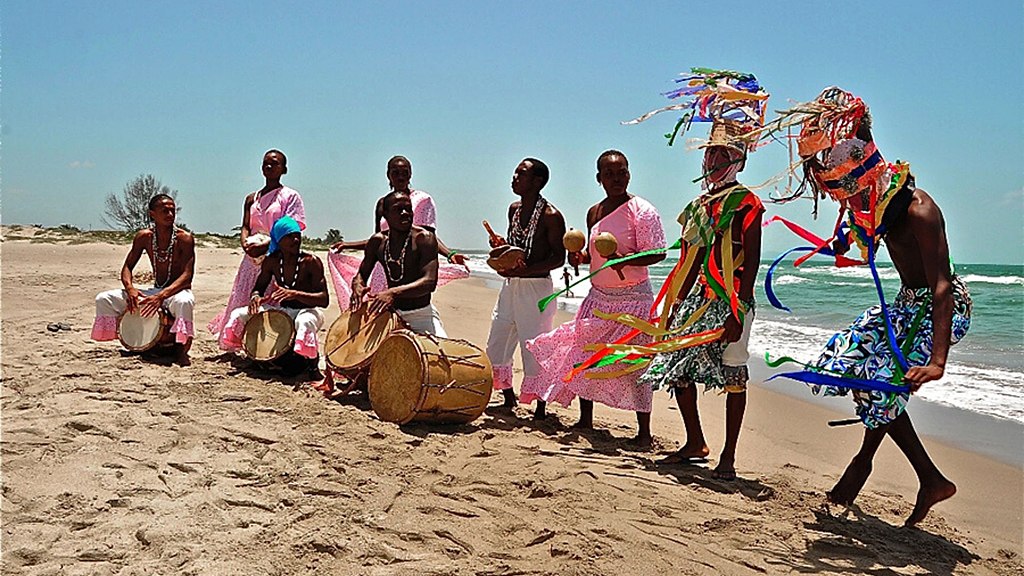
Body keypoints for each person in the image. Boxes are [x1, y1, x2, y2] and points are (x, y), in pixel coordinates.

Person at [772, 88, 972, 526]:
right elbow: (856, 239)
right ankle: (925, 477)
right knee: (845, 361)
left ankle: (863, 468)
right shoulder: (874, 205)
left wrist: (938, 362)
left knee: (881, 383)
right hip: (905, 304)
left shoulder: (920, 210)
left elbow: (940, 286)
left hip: (943, 306)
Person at [639, 122, 764, 480]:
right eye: (710, 153)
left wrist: (738, 310)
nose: (713, 160)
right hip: (699, 299)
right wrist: (675, 303)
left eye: (723, 155)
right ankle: (695, 442)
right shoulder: (698, 206)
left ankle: (729, 456)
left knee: (733, 372)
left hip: (733, 300)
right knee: (677, 366)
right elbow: (690, 260)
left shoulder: (747, 203)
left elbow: (751, 261)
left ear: (739, 161)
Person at [527, 150, 666, 446]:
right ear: (599, 178)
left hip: (634, 302)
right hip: (598, 298)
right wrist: (581, 256)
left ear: (629, 174)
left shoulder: (642, 210)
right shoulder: (594, 212)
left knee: (636, 365)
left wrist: (624, 260)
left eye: (622, 172)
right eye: (609, 174)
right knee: (584, 355)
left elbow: (658, 252)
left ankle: (644, 432)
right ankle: (585, 419)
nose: (617, 178)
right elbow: (595, 254)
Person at [484, 158, 566, 417]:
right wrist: (502, 246)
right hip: (511, 286)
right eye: (515, 173)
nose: (515, 178)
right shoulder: (514, 210)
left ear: (538, 182)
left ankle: (540, 407)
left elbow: (558, 258)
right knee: (499, 338)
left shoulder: (551, 216)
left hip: (536, 289)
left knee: (534, 345)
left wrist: (527, 270)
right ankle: (509, 397)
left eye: (521, 174)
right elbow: (518, 246)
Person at [327, 156, 468, 306]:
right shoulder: (383, 204)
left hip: (410, 267)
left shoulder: (422, 200)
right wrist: (348, 245)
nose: (400, 177)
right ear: (388, 175)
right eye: (395, 172)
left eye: (404, 172)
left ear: (410, 174)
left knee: (409, 306)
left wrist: (449, 254)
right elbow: (379, 240)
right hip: (383, 269)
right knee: (379, 314)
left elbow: (428, 237)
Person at [208, 149, 306, 349]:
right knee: (245, 296)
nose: (269, 167)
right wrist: (245, 243)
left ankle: (268, 345)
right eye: (266, 163)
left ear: (284, 169)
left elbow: (293, 226)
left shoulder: (290, 196)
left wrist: (268, 245)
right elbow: (246, 225)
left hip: (275, 254)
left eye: (275, 163)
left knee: (270, 299)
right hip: (251, 257)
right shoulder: (252, 198)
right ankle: (241, 341)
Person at [91, 194, 196, 365]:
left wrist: (161, 297)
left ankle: (181, 351)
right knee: (104, 299)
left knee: (185, 302)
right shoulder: (144, 237)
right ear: (152, 214)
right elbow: (127, 267)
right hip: (155, 290)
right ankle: (134, 339)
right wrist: (130, 288)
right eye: (165, 211)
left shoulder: (184, 238)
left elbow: (187, 277)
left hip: (176, 291)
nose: (170, 214)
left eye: (172, 210)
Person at [221, 216, 329, 378]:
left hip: (307, 311)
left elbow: (324, 299)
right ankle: (255, 354)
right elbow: (258, 288)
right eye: (290, 236)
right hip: (282, 311)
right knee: (240, 314)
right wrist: (256, 297)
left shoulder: (311, 261)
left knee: (304, 322)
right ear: (279, 240)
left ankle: (313, 366)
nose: (295, 239)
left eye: (297, 235)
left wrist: (295, 294)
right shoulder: (272, 261)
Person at [352, 190, 447, 336]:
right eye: (398, 209)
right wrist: (357, 285)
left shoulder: (424, 239)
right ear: (386, 215)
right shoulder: (377, 242)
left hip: (421, 316)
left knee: (442, 356)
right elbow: (362, 274)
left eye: (408, 208)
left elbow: (429, 282)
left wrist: (393, 293)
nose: (405, 213)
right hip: (388, 315)